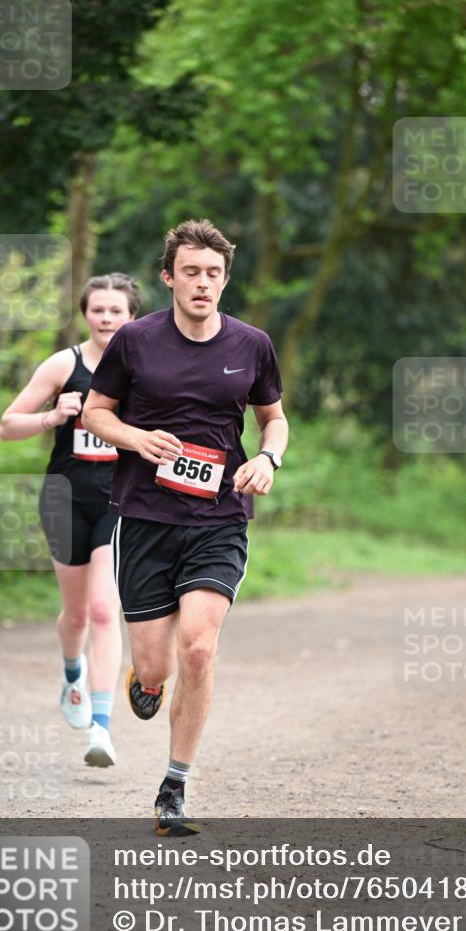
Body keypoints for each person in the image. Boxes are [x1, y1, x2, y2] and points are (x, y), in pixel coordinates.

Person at [82, 219, 288, 835]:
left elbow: (274, 420)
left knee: (199, 646)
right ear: (169, 278)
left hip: (218, 518)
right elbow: (97, 412)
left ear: (226, 280)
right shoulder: (135, 342)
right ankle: (143, 682)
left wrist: (267, 458)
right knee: (156, 672)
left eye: (214, 274)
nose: (203, 284)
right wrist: (137, 438)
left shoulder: (252, 345)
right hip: (145, 518)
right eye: (191, 272)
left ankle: (174, 787)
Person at [0, 273, 141, 767]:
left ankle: (100, 730)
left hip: (119, 503)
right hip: (63, 500)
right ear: (85, 314)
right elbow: (7, 425)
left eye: (116, 311)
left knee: (105, 611)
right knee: (76, 615)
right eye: (97, 310)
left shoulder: (143, 366)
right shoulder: (66, 364)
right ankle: (70, 671)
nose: (106, 318)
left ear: (131, 317)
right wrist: (51, 418)